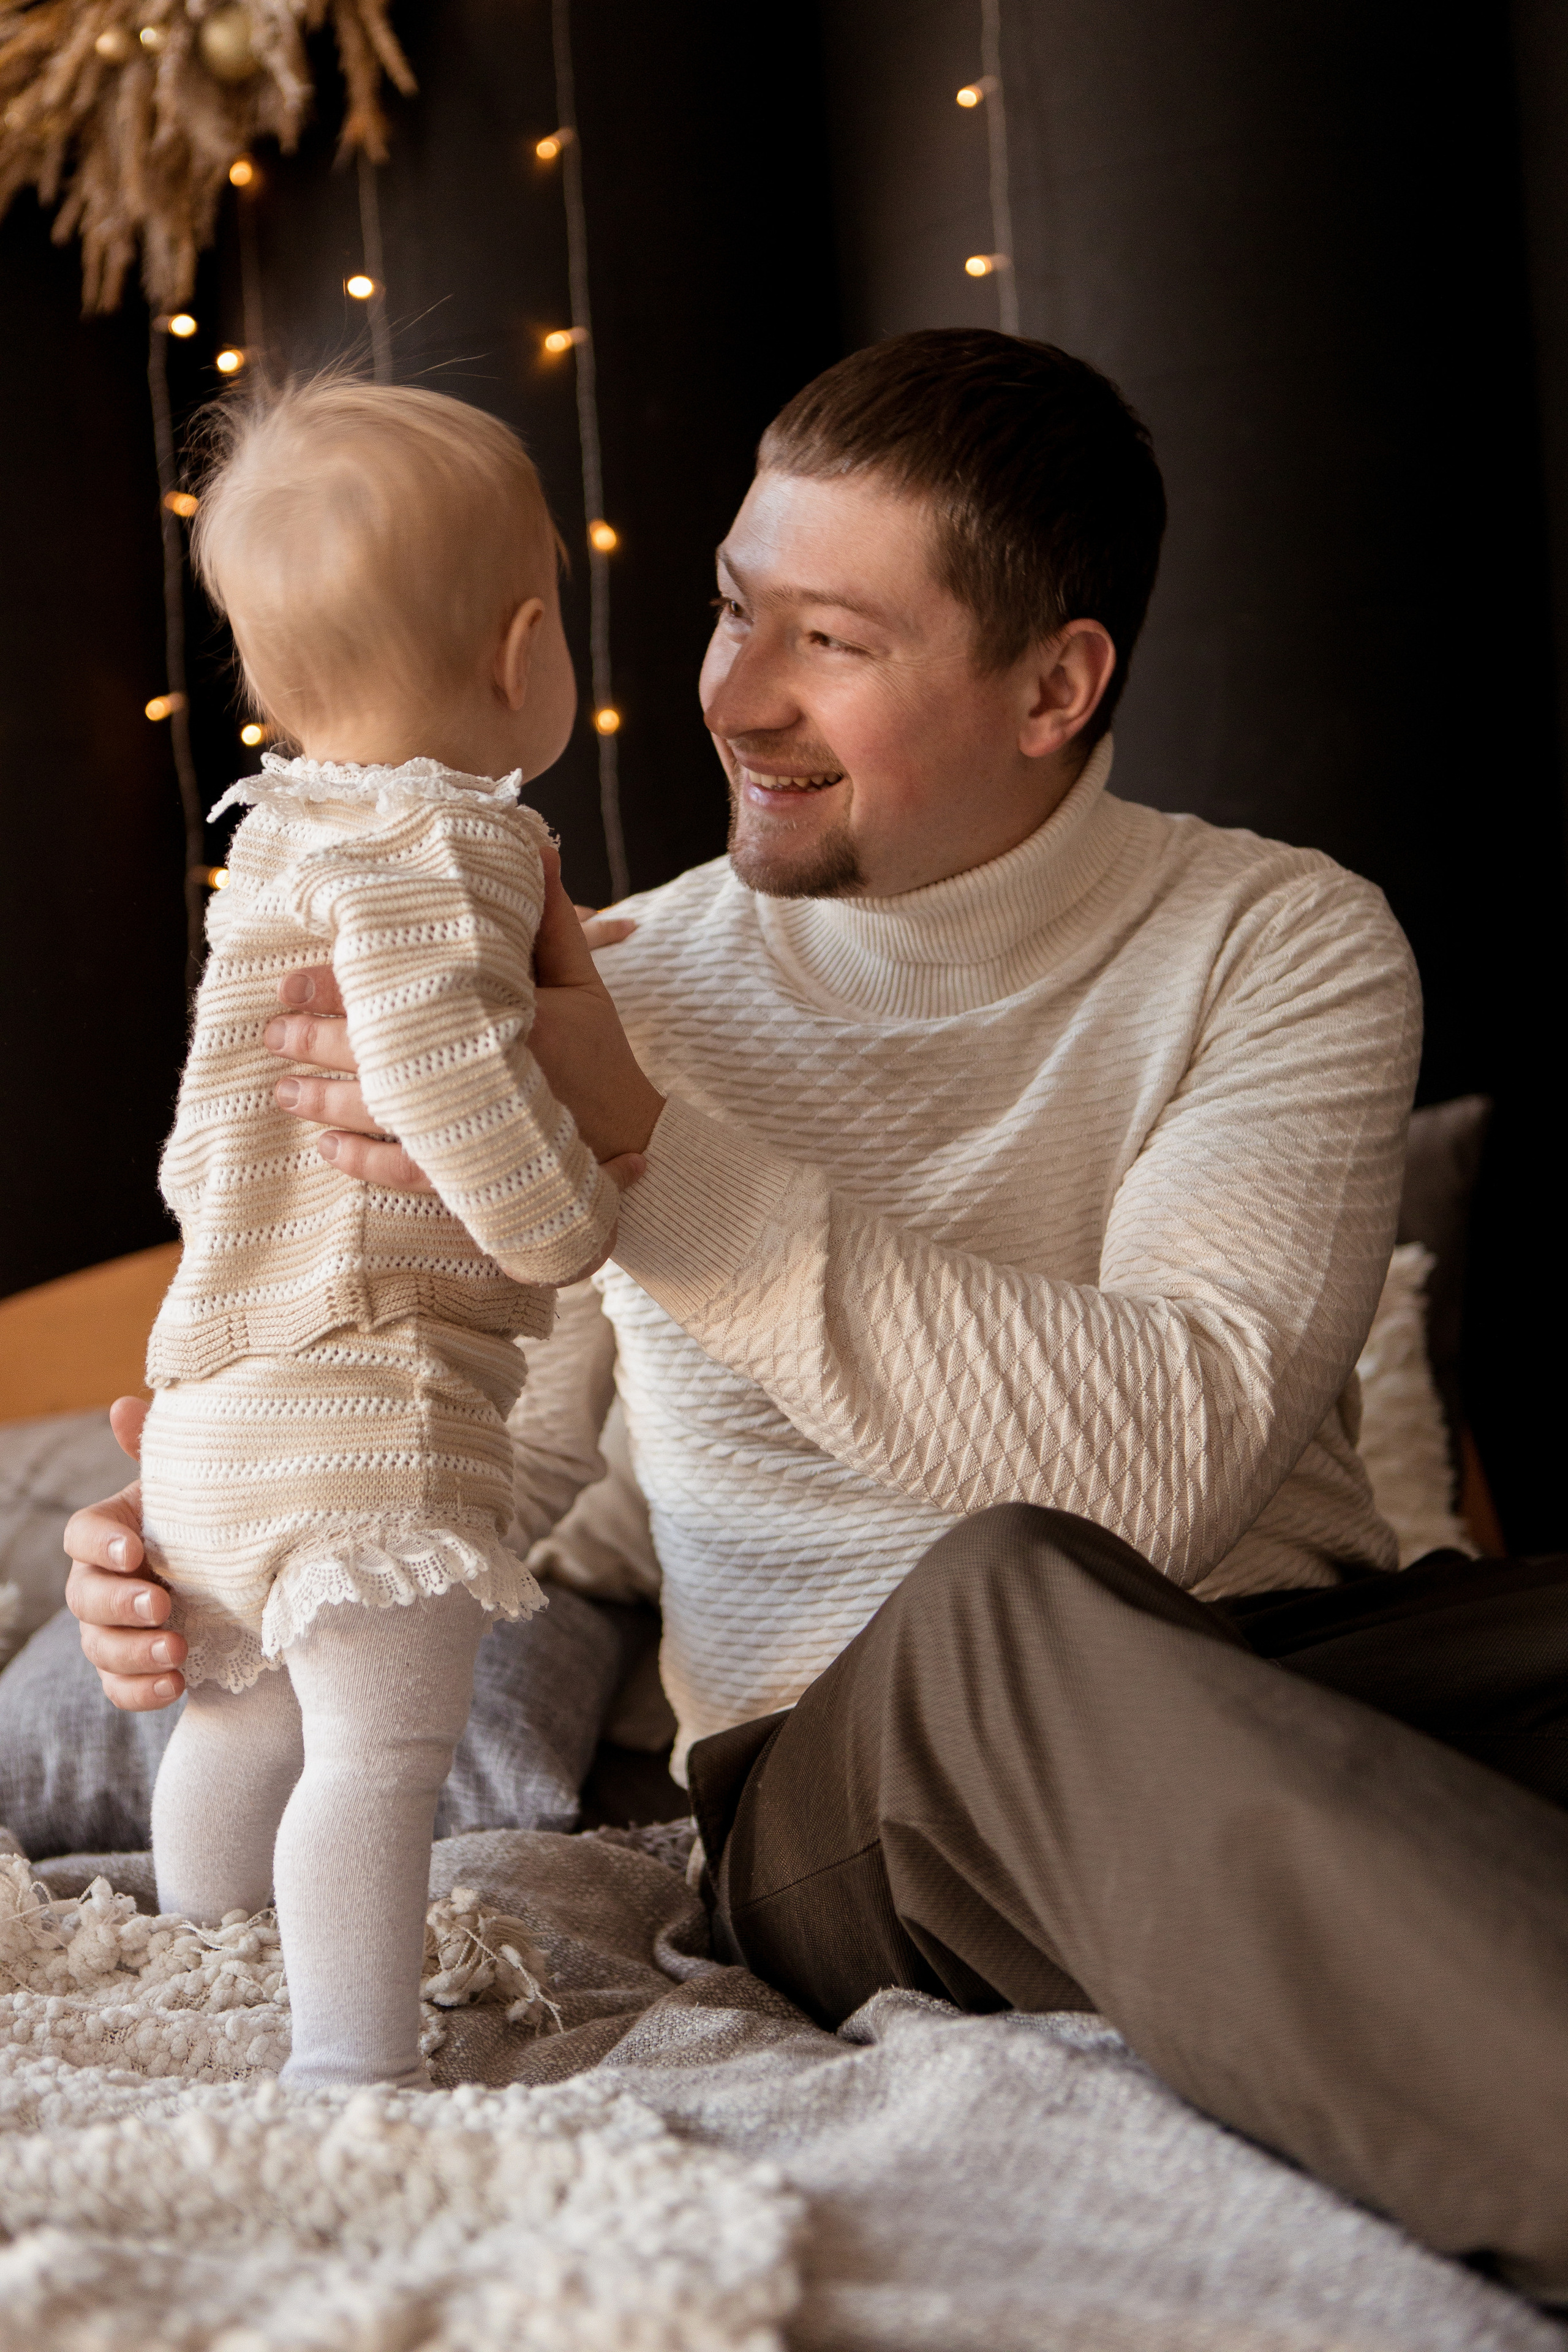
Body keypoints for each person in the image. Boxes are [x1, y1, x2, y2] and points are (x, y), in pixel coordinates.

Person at [62, 332, 1568, 2286]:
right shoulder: (592, 986)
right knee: (1008, 1596)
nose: (734, 697)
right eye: (727, 609)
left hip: (1299, 1661)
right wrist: (236, 1542)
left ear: (1057, 684)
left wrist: (647, 1154)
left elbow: (1178, 1459)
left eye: (830, 643)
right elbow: (484, 1454)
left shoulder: (1279, 943)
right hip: (856, 1777)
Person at [127, 377, 636, 2090]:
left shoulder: (272, 842)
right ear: (522, 654)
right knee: (378, 1752)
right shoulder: (453, 842)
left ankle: (198, 1962)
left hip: (210, 1399)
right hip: (368, 1404)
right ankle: (350, 2065)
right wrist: (567, 1220)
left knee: (239, 1709)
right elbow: (436, 1061)